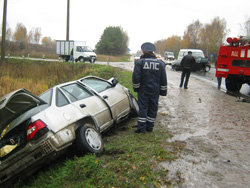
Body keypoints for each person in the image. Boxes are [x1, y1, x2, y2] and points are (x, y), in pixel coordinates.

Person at [132, 42, 167, 134]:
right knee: (153, 107)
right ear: (153, 52)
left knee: (143, 108)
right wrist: (163, 91)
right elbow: (163, 78)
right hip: (155, 90)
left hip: (143, 90)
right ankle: (150, 127)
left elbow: (136, 76)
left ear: (143, 52)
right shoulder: (160, 63)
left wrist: (136, 88)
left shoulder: (140, 62)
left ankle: (141, 129)